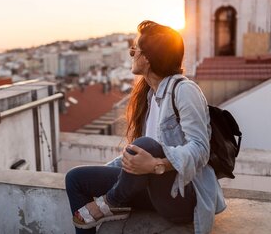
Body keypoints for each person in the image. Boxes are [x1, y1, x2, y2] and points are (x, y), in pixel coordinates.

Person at [65, 20, 226, 234]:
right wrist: (109, 171)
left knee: (145, 145)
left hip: (184, 197)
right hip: (153, 190)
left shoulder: (185, 90)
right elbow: (137, 158)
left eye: (134, 51)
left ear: (147, 59)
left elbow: (200, 149)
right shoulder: (151, 96)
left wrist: (157, 164)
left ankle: (112, 202)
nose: (131, 54)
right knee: (76, 179)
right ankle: (112, 202)